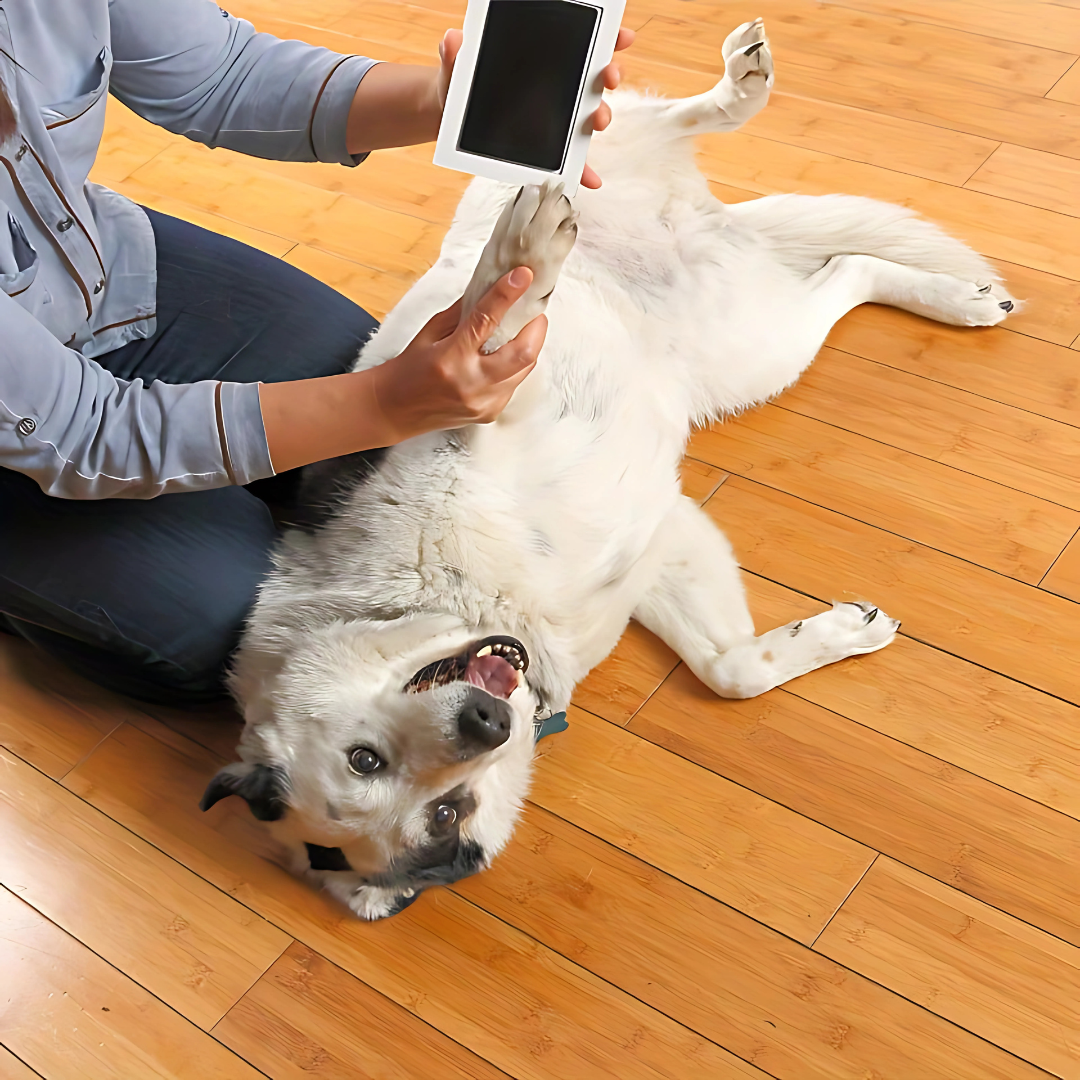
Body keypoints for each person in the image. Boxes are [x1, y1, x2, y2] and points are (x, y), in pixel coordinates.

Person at [0, 0, 632, 705]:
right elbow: (88, 431)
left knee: (349, 383)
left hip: (85, 266)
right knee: (250, 632)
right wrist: (384, 404)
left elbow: (223, 73)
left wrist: (447, 99)